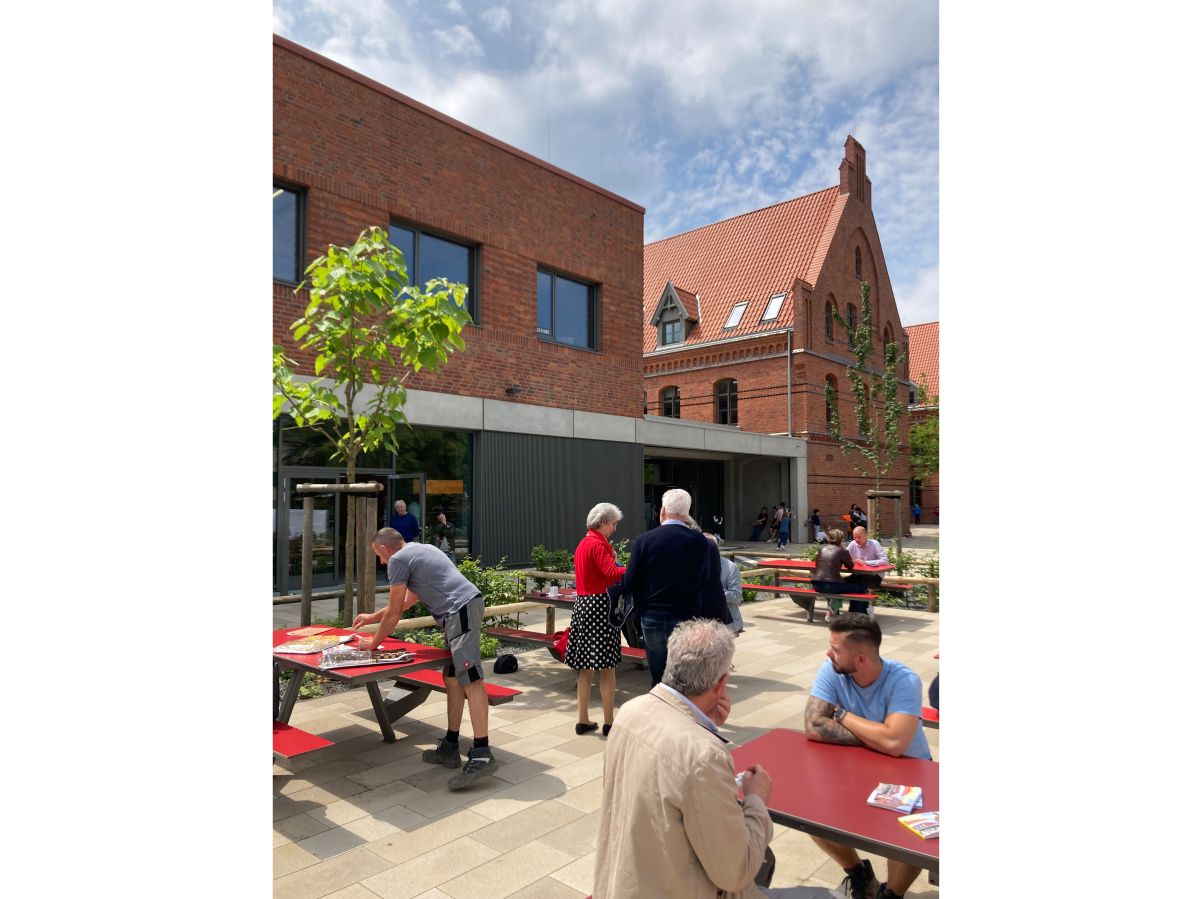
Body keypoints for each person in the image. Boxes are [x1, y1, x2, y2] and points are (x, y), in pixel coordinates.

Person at [594, 619, 819, 898]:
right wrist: (756, 799)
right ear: (721, 682)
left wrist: (705, 724)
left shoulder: (630, 711)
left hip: (621, 883)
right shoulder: (703, 755)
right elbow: (735, 872)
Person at [353, 527, 498, 790]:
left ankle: (482, 754)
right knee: (453, 679)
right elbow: (407, 602)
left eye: (379, 557)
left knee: (472, 680)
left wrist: (373, 644)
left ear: (386, 549)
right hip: (461, 610)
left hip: (459, 611)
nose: (382, 562)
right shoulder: (421, 550)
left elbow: (396, 611)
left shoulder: (397, 560)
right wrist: (372, 617)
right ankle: (450, 746)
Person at [803, 613, 932, 899]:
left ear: (860, 659)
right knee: (813, 818)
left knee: (905, 839)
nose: (828, 653)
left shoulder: (904, 680)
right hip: (857, 769)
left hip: (909, 771)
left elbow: (896, 743)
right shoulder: (831, 669)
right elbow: (813, 725)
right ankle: (861, 875)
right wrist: (878, 739)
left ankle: (892, 894)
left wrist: (843, 715)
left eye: (835, 649)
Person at [623, 487, 712, 685]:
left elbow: (630, 582)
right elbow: (704, 577)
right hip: (686, 616)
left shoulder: (644, 541)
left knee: (658, 674)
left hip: (652, 616)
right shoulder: (699, 541)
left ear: (662, 510)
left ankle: (660, 708)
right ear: (687, 513)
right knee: (683, 674)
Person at [564, 502, 627, 737]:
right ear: (602, 523)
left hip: (583, 605)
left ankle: (583, 719)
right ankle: (609, 722)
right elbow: (612, 573)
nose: (614, 529)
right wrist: (632, 569)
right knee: (607, 666)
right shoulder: (598, 545)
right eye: (613, 524)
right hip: (600, 605)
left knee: (585, 667)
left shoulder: (584, 543)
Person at [811, 528, 872, 622]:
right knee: (860, 589)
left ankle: (833, 609)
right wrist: (845, 552)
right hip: (832, 585)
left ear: (828, 539)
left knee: (843, 585)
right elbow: (851, 567)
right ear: (841, 539)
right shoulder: (842, 551)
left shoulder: (821, 549)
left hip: (816, 584)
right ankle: (857, 616)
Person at [845, 525, 889, 615]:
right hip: (859, 575)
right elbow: (845, 556)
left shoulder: (874, 544)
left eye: (859, 537)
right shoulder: (853, 544)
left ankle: (856, 612)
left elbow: (885, 561)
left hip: (875, 576)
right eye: (855, 537)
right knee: (841, 582)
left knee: (858, 584)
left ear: (866, 536)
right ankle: (861, 610)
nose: (856, 540)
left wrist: (866, 562)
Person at [709, 533, 744, 635]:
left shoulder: (730, 567)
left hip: (727, 625)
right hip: (702, 624)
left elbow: (737, 596)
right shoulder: (695, 566)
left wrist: (714, 590)